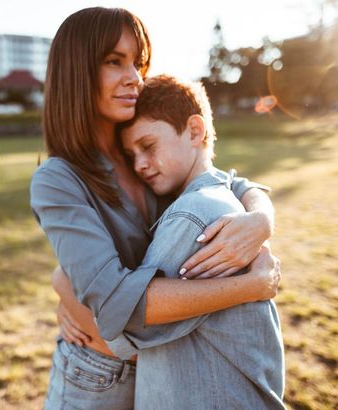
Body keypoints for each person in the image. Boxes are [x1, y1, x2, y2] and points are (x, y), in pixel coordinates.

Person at [30, 7, 280, 410]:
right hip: (96, 377)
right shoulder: (58, 179)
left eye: (138, 62)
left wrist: (260, 219)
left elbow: (229, 181)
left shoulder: (140, 155)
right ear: (76, 71)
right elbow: (113, 302)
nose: (134, 77)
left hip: (163, 372)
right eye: (115, 61)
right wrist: (250, 287)